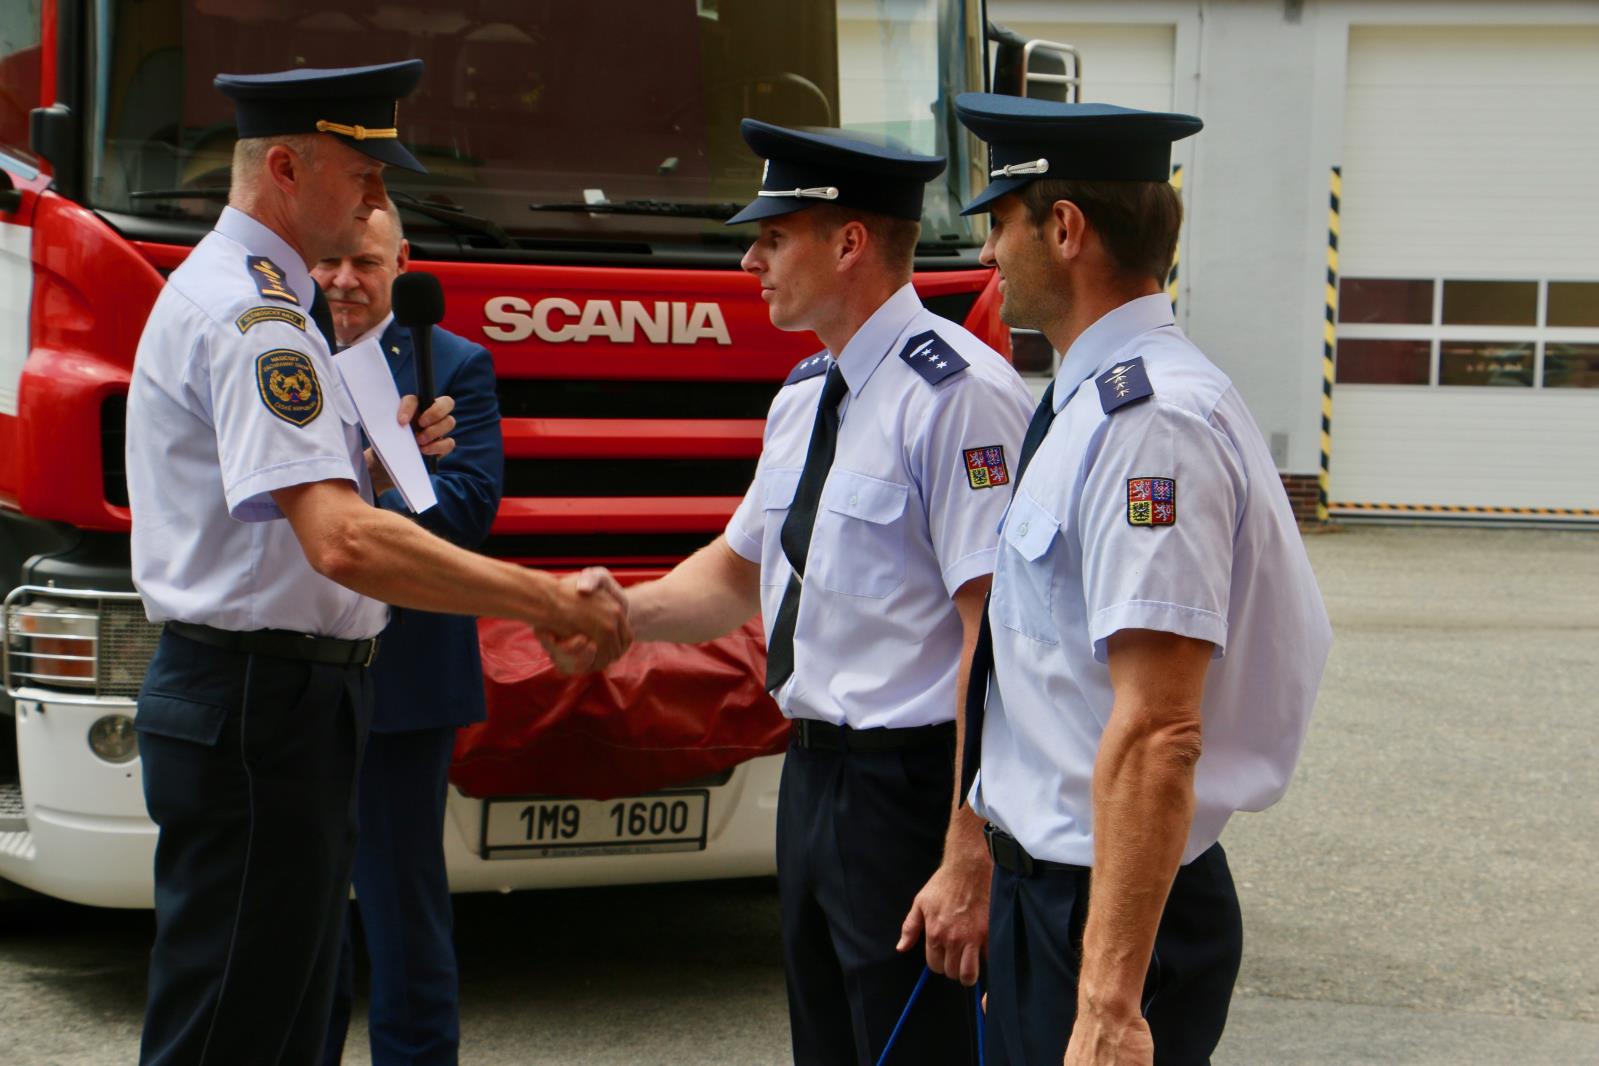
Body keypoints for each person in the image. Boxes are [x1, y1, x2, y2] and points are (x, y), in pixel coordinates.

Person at [124, 61, 627, 1066]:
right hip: (261, 702)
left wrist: (368, 459)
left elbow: (285, 508)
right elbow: (342, 539)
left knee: (287, 1020)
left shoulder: (265, 303)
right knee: (233, 1032)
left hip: (281, 700)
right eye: (361, 174)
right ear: (284, 169)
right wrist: (543, 597)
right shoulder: (260, 319)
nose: (374, 198)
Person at [555, 119, 1034, 1065]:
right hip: (811, 779)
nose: (750, 261)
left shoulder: (958, 397)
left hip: (912, 790)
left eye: (773, 237)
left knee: (914, 1050)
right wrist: (617, 613)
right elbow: (738, 572)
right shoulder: (805, 393)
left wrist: (968, 844)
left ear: (848, 242)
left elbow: (997, 637)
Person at [950, 93, 1334, 1066]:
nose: (988, 253)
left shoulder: (1149, 424)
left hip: (1106, 905)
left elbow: (1161, 728)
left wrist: (1109, 1001)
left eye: (1000, 222)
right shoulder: (1090, 403)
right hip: (1051, 891)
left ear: (1064, 229)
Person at [309, 202, 501, 1066]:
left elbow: (468, 510)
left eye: (366, 263)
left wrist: (387, 484)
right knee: (302, 911)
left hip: (405, 675)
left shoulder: (450, 364)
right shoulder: (277, 350)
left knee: (400, 906)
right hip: (294, 666)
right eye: (330, 262)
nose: (344, 280)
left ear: (402, 262)